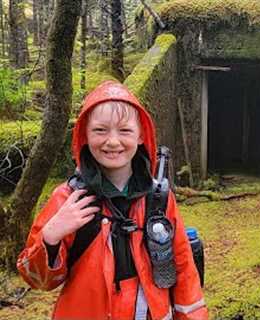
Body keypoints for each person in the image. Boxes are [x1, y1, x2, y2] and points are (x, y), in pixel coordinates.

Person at [17, 81, 207, 320]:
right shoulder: (68, 199)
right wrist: (51, 237)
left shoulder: (158, 198)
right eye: (100, 130)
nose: (113, 141)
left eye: (125, 131)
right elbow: (38, 280)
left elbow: (184, 271)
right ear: (84, 134)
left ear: (141, 136)